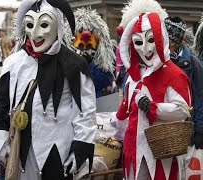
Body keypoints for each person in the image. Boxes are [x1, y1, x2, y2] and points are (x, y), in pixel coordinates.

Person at [0, 0, 97, 179]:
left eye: (44, 25)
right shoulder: (13, 63)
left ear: (58, 26)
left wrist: (80, 149)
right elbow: (1, 106)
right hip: (21, 152)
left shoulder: (74, 65)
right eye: (30, 25)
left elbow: (85, 112)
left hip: (58, 153)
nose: (35, 33)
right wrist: (1, 142)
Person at [117, 12, 191, 179]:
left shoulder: (173, 74)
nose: (145, 48)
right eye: (138, 42)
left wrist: (153, 108)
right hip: (133, 151)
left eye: (151, 40)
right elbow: (125, 111)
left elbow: (183, 110)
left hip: (161, 152)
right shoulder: (133, 75)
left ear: (160, 38)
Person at [165, 16, 203, 149]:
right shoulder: (158, 61)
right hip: (163, 129)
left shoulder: (193, 64)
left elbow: (200, 96)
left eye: (170, 40)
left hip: (187, 129)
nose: (168, 44)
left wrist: (200, 129)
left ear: (176, 41)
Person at [63, 7, 115, 98]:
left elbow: (104, 82)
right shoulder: (65, 60)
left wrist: (89, 64)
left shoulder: (101, 62)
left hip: (95, 102)